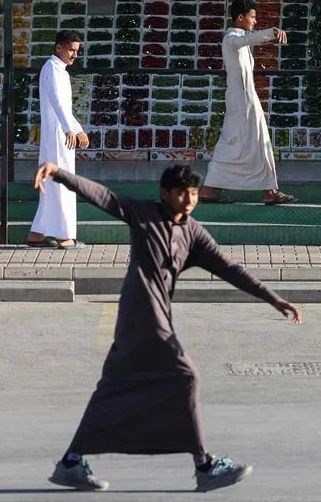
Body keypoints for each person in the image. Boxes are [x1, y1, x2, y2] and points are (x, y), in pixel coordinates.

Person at [34, 161, 303, 492]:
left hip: (144, 318)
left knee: (113, 389)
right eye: (182, 194)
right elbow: (103, 196)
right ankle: (204, 466)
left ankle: (71, 463)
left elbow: (229, 268)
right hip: (144, 316)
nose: (189, 201)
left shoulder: (192, 232)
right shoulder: (143, 214)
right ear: (165, 195)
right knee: (186, 376)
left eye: (193, 194)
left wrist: (273, 298)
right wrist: (60, 174)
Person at [199, 0, 297, 205]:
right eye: (252, 17)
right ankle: (269, 192)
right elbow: (246, 39)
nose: (254, 20)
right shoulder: (231, 38)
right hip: (241, 102)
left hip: (245, 100)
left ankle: (211, 190)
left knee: (240, 143)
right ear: (240, 17)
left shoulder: (241, 39)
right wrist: (271, 32)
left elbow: (248, 39)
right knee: (254, 142)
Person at [26, 30, 89, 249]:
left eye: (76, 51)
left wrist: (78, 129)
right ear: (58, 48)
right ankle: (64, 237)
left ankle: (37, 234)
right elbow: (56, 102)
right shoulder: (51, 69)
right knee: (60, 182)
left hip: (62, 133)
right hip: (57, 136)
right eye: (71, 50)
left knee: (53, 182)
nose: (74, 55)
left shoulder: (61, 71)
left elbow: (66, 107)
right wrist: (67, 129)